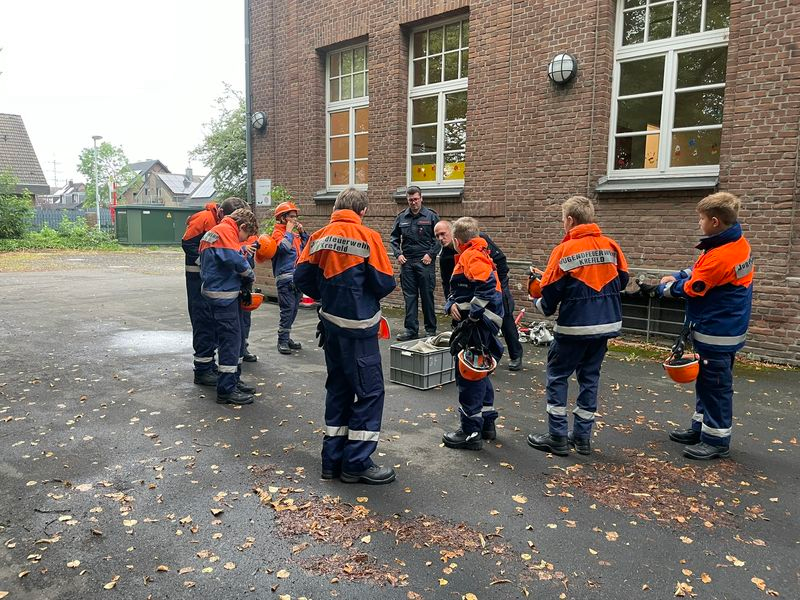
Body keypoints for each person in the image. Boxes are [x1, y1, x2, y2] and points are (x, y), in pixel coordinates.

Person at [294, 187, 397, 484]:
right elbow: (384, 282)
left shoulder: (318, 237)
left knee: (338, 388)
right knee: (369, 392)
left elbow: (301, 278)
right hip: (359, 329)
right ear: (362, 211)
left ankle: (332, 461)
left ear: (336, 207)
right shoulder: (369, 238)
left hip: (330, 326)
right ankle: (356, 463)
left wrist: (327, 294)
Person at [652, 192, 753, 460]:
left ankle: (716, 441)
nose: (699, 223)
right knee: (707, 382)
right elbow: (701, 268)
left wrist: (663, 289)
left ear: (715, 222)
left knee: (716, 386)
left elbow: (694, 287)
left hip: (717, 329)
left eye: (702, 219)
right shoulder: (735, 244)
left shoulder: (722, 255)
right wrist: (678, 274)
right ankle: (700, 428)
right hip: (726, 326)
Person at [527, 196, 628, 457]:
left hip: (574, 328)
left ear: (570, 220)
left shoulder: (564, 250)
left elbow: (549, 299)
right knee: (590, 379)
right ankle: (582, 438)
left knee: (558, 377)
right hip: (605, 326)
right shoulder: (611, 246)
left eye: (563, 219)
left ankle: (557, 436)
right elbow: (622, 280)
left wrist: (535, 298)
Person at [442, 217, 505, 450]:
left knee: (469, 375)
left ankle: (470, 432)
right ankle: (487, 423)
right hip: (481, 325)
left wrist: (473, 317)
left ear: (457, 241)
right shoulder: (479, 253)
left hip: (477, 326)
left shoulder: (471, 256)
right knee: (481, 372)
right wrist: (451, 305)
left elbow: (486, 286)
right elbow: (461, 292)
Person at [435, 220, 524, 371]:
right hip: (473, 293)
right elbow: (448, 283)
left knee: (505, 318)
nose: (440, 238)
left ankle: (515, 355)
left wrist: (498, 287)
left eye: (443, 234)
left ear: (453, 234)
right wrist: (451, 304)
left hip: (492, 286)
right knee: (477, 329)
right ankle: (483, 358)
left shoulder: (477, 242)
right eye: (437, 236)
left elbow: (500, 261)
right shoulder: (445, 256)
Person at [182, 197, 248, 386]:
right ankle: (202, 370)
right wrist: (208, 264)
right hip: (198, 280)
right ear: (222, 213)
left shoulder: (223, 226)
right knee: (203, 321)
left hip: (211, 280)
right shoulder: (204, 218)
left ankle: (209, 365)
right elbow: (188, 243)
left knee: (212, 323)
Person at [199, 208, 259, 406]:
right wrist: (249, 276)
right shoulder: (226, 231)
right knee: (230, 343)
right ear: (243, 226)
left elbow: (219, 258)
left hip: (217, 292)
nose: (244, 240)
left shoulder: (216, 231)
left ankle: (233, 381)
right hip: (223, 296)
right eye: (245, 236)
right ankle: (226, 390)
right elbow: (236, 261)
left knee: (234, 340)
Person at [390, 186, 440, 341]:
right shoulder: (402, 217)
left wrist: (431, 254)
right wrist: (398, 254)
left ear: (421, 198)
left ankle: (430, 330)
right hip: (407, 263)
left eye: (416, 199)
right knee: (410, 297)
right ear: (407, 200)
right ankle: (411, 330)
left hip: (425, 262)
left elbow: (439, 239)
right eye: (410, 200)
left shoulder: (430, 216)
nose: (413, 202)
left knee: (427, 296)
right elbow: (394, 239)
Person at [271, 201, 309, 355]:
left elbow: (307, 248)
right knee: (287, 311)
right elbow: (283, 248)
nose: (295, 219)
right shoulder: (277, 234)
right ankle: (282, 340)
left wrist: (302, 233)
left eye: (295, 217)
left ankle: (287, 337)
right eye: (291, 217)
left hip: (297, 279)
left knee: (293, 311)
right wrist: (288, 231)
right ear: (282, 218)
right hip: (285, 280)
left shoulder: (294, 235)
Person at [240, 232, 260, 363]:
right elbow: (226, 249)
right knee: (234, 316)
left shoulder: (253, 235)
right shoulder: (230, 232)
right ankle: (235, 347)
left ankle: (243, 347)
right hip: (235, 278)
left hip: (246, 279)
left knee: (245, 314)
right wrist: (242, 248)